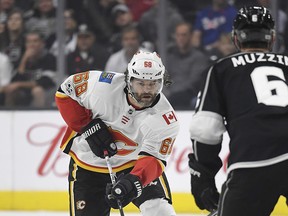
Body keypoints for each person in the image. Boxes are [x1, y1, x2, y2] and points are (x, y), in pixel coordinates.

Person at [188, 6, 288, 216]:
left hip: (254, 160)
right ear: (271, 39)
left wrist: (202, 177)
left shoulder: (222, 69)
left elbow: (205, 129)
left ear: (236, 39)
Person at [55, 50, 179, 216]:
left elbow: (154, 159)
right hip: (88, 166)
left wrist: (133, 181)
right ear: (129, 80)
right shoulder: (101, 86)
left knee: (160, 211)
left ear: (162, 82)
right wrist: (86, 125)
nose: (147, 90)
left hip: (132, 164)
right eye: (140, 84)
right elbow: (65, 91)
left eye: (153, 84)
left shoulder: (165, 119)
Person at [164, 22, 211, 110]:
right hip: (170, 95)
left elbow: (193, 82)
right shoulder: (170, 57)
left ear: (190, 36)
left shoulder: (199, 57)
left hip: (189, 96)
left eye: (184, 35)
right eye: (178, 35)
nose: (180, 38)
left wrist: (173, 93)